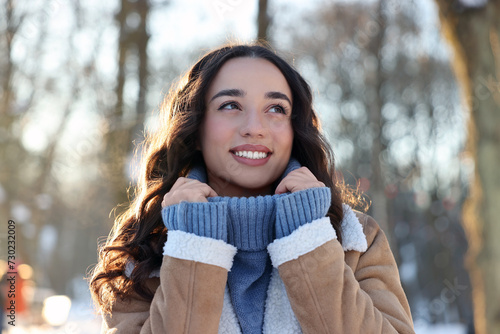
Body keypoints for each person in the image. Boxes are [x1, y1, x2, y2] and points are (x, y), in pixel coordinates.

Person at [89, 42, 415, 334]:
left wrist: (309, 237)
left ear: (295, 128)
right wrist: (192, 241)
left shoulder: (356, 237)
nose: (255, 129)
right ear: (196, 125)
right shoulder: (142, 245)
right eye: (231, 105)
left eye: (276, 109)